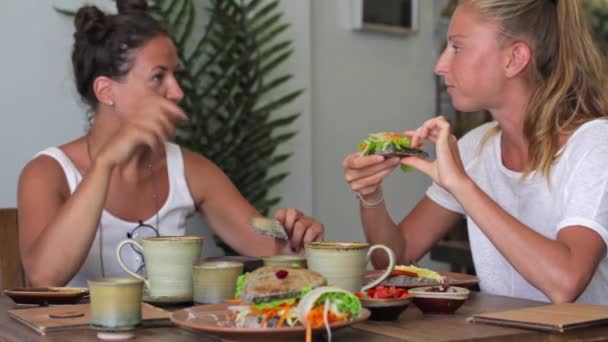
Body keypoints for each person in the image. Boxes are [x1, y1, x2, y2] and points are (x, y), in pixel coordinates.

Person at [17, 0, 323, 287]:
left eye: (176, 76)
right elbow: (44, 277)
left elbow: (271, 250)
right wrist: (107, 162)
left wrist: (292, 242)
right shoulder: (47, 172)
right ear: (106, 90)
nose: (177, 92)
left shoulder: (189, 169)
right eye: (158, 77)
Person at [343, 0, 608, 304]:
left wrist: (461, 186)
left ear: (514, 58)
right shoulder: (475, 146)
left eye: (457, 48)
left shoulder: (596, 146)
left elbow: (565, 282)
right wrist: (371, 194)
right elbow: (394, 258)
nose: (440, 65)